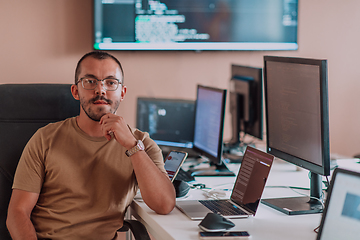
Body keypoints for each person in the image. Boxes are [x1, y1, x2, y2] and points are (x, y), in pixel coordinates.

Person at [6, 51, 176, 240]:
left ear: (122, 92)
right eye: (90, 81)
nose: (100, 90)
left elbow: (164, 204)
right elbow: (17, 213)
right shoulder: (44, 139)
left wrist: (131, 145)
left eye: (111, 82)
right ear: (75, 91)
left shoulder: (142, 144)